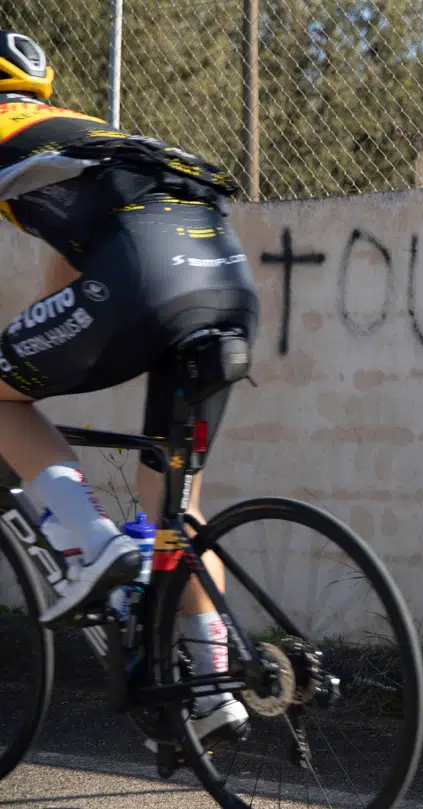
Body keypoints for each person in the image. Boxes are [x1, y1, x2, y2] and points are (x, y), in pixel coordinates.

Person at [0, 31, 257, 748]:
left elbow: (83, 287)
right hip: (228, 284)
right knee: (176, 511)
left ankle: (87, 541)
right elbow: (65, 270)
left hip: (144, 282)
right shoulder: (87, 135)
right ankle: (212, 688)